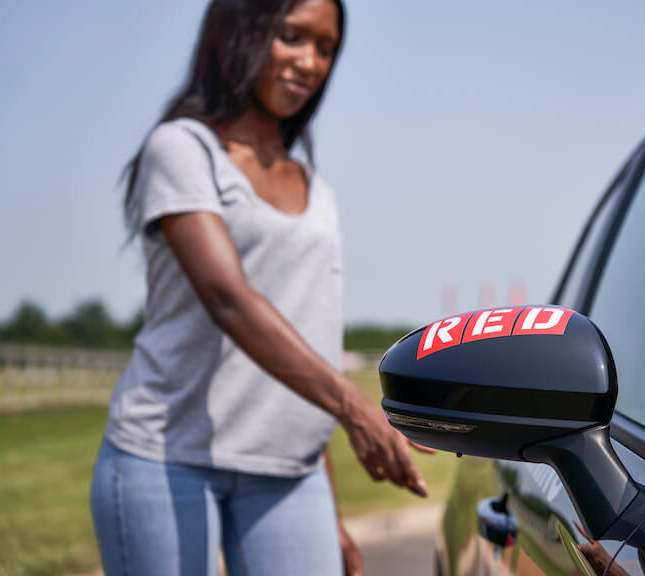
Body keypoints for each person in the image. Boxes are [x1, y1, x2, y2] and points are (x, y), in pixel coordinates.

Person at [89, 1, 430, 574]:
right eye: (292, 37)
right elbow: (228, 299)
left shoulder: (317, 193)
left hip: (289, 475)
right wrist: (356, 408)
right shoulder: (182, 149)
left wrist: (332, 513)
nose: (310, 62)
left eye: (326, 48)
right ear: (240, 32)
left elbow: (310, 348)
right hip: (166, 458)